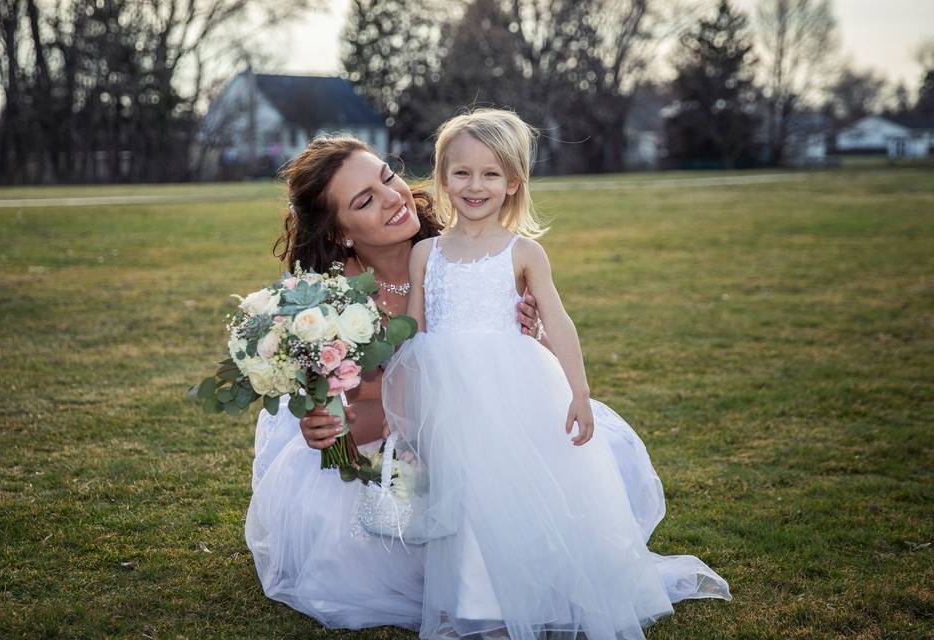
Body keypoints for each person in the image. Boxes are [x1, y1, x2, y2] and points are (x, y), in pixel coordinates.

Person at [381, 108, 731, 640]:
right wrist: (406, 416)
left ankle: (531, 590)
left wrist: (579, 392)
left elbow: (559, 321)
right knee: (465, 491)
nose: (475, 186)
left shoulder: (523, 252)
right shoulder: (426, 254)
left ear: (513, 181)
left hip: (514, 388)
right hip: (451, 395)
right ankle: (476, 603)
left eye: (491, 174)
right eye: (462, 173)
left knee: (514, 490)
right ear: (442, 176)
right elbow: (416, 334)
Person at [245, 136, 544, 630]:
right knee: (367, 552)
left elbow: (526, 372)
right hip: (389, 455)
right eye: (364, 201)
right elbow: (358, 430)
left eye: (386, 177)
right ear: (341, 232)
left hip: (483, 429)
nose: (393, 197)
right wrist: (326, 428)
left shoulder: (466, 248)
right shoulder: (330, 304)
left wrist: (531, 331)